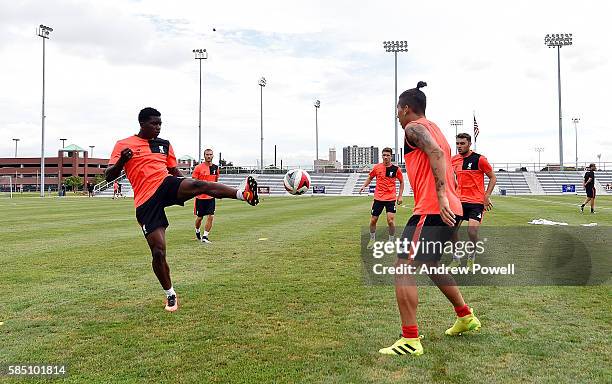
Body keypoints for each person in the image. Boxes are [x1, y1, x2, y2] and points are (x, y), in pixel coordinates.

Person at [105, 107, 259, 312]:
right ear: (142, 124)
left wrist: (185, 184)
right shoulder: (123, 145)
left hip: (165, 184)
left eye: (160, 124)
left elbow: (173, 170)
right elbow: (109, 175)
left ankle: (244, 194)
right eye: (154, 124)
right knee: (158, 252)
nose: (158, 128)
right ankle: (170, 294)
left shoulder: (164, 145)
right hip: (145, 201)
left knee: (199, 184)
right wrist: (123, 160)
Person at [378, 82, 480, 357]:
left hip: (433, 207)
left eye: (398, 110)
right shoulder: (436, 128)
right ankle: (465, 316)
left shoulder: (414, 128)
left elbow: (435, 153)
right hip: (449, 208)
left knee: (402, 265)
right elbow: (441, 157)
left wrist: (442, 196)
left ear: (406, 108)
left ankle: (410, 339)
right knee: (430, 264)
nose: (397, 115)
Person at [449, 133, 497, 270]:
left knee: (472, 232)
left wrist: (486, 196)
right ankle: (456, 259)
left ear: (469, 144)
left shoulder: (479, 159)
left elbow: (493, 177)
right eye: (457, 143)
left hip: (476, 202)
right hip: (458, 202)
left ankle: (471, 257)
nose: (459, 146)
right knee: (451, 231)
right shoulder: (453, 160)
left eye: (462, 143)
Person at [359, 147, 404, 249]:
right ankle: (372, 239)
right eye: (384, 155)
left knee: (390, 221)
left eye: (388, 155)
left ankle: (391, 241)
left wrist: (400, 196)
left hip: (391, 199)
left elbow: (401, 182)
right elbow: (370, 177)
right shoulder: (377, 167)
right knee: (373, 220)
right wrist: (364, 186)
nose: (385, 157)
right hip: (378, 198)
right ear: (382, 156)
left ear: (391, 156)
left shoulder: (396, 169)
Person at [192, 149, 219, 244]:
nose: (209, 156)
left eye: (210, 154)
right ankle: (197, 230)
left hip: (211, 197)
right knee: (199, 218)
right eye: (207, 154)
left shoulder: (216, 168)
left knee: (211, 216)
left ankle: (205, 236)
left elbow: (216, 182)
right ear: (204, 156)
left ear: (213, 156)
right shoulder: (198, 168)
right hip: (200, 198)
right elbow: (194, 182)